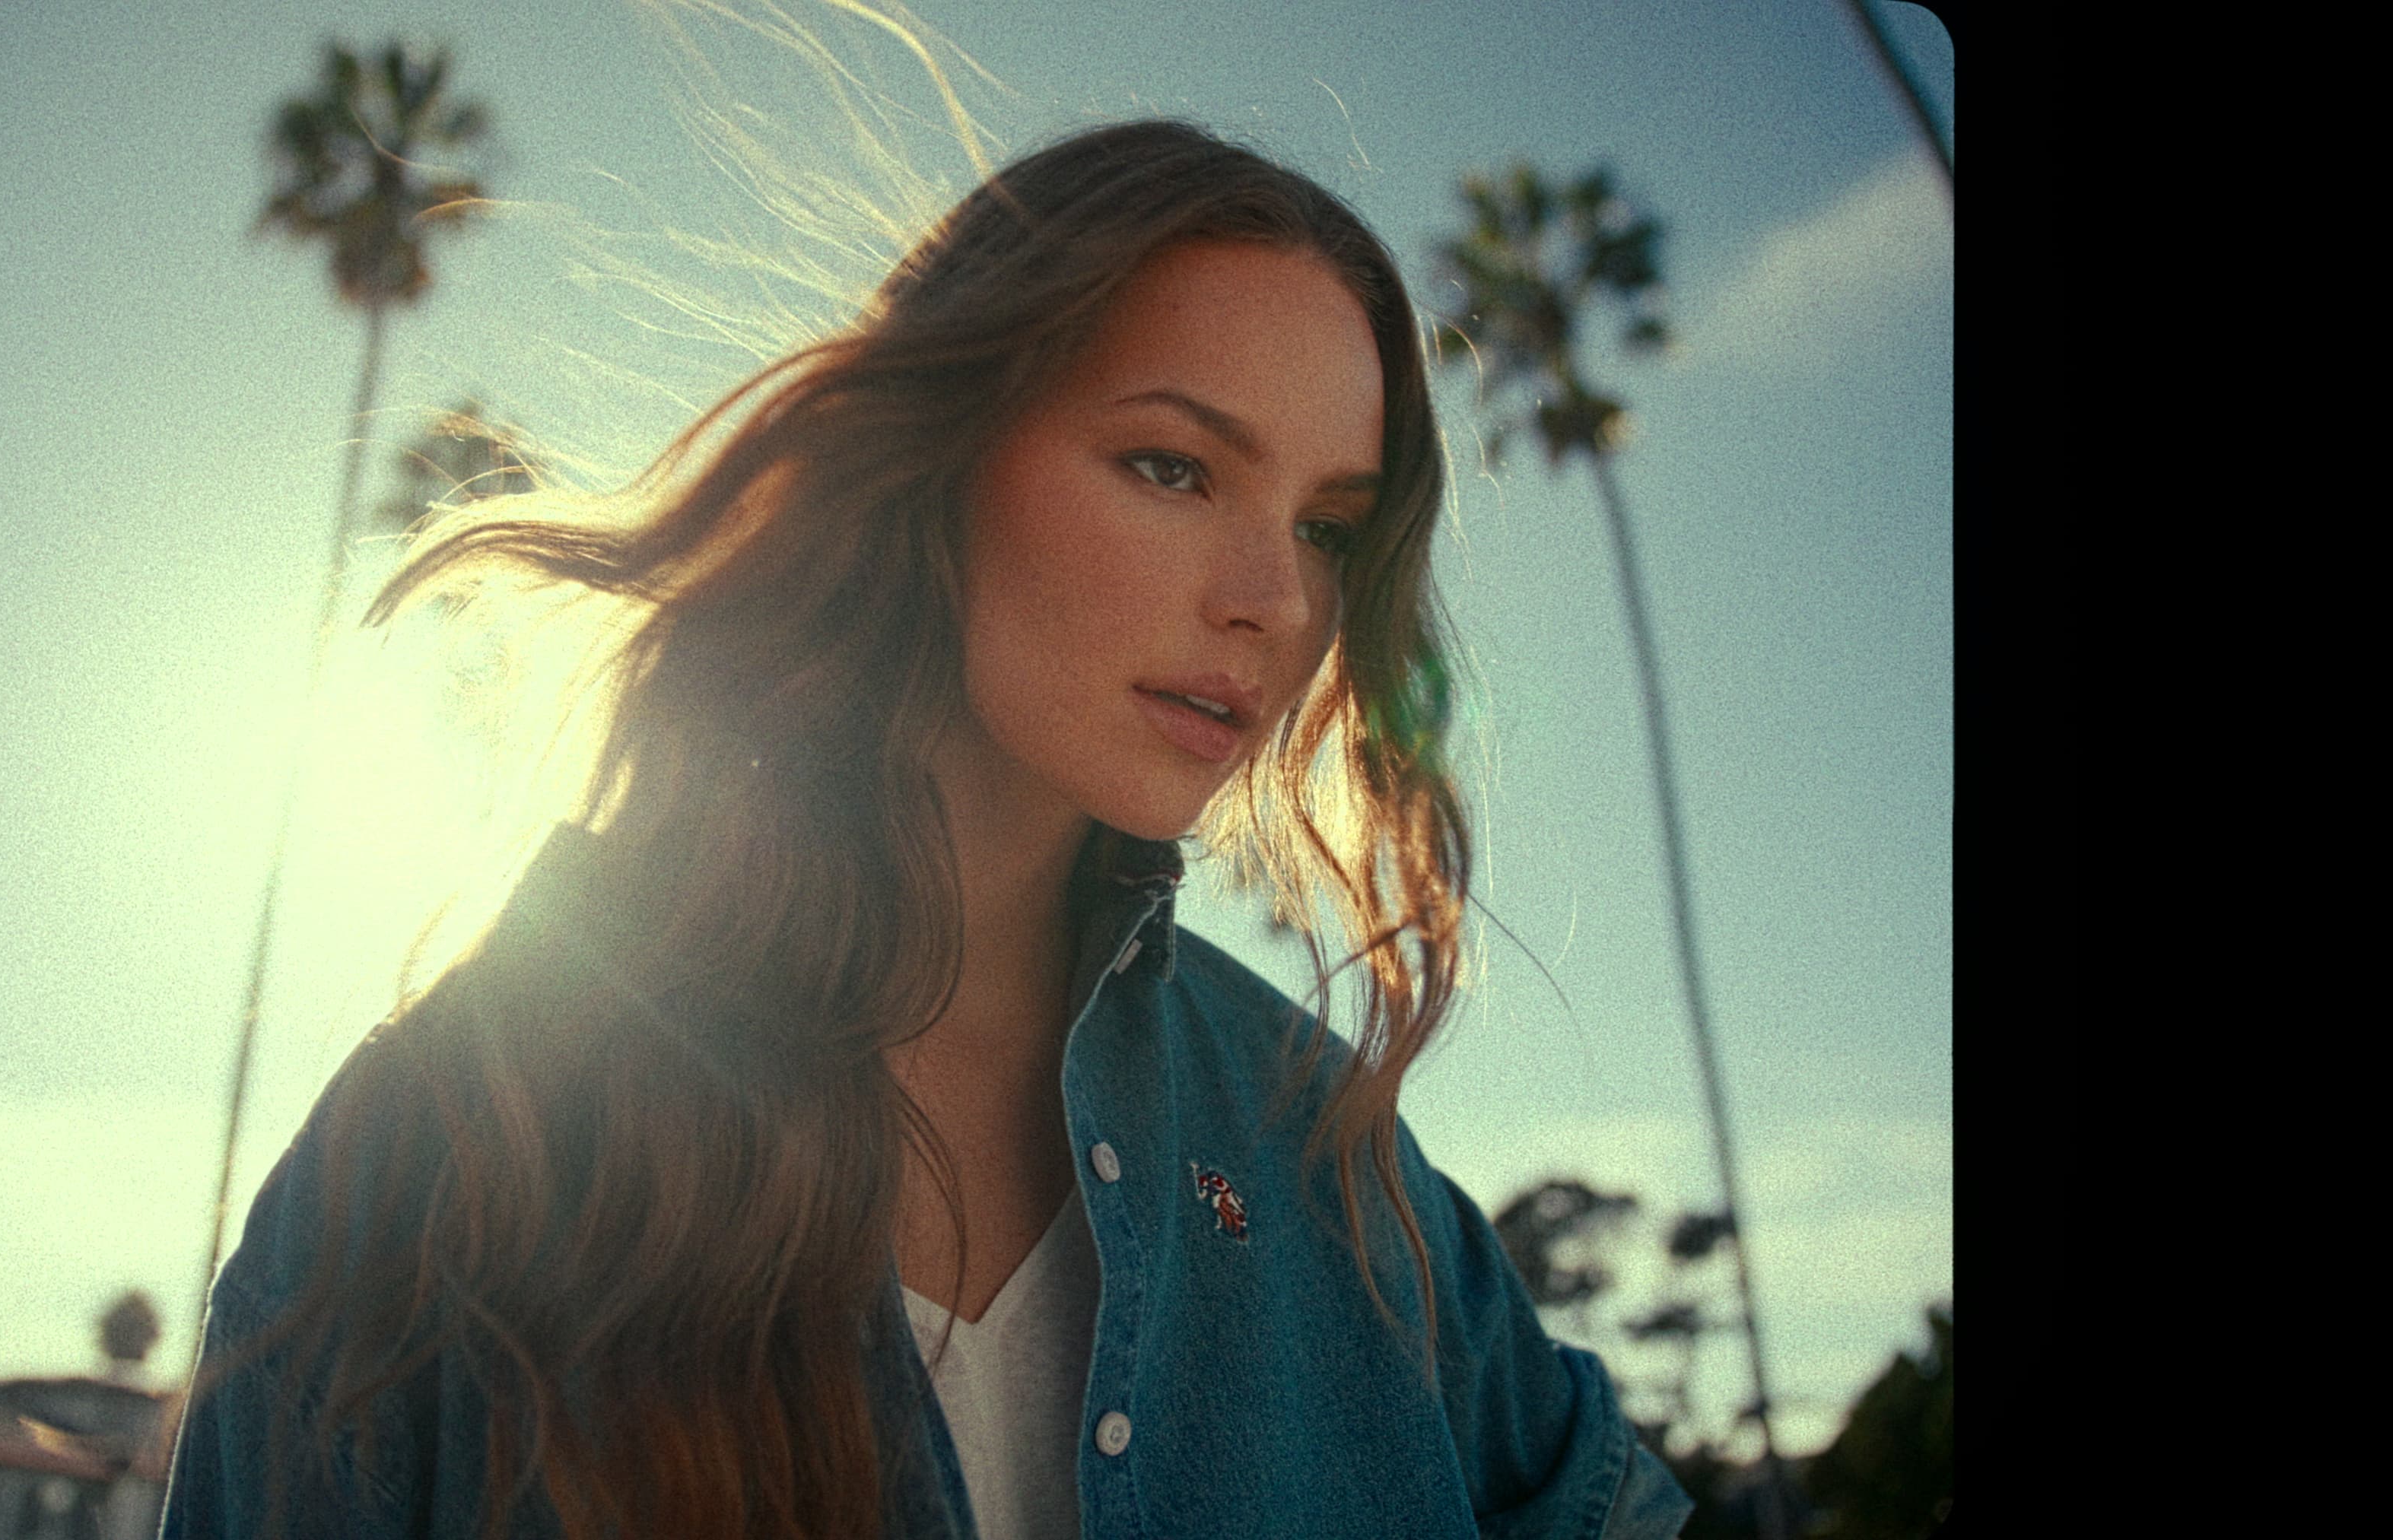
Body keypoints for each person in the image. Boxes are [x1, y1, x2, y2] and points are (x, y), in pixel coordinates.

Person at [160, 118, 1695, 1540]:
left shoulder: (1320, 1148)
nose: (1275, 599)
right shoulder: (459, 1133)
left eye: (1326, 526)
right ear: (942, 455)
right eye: (1174, 465)